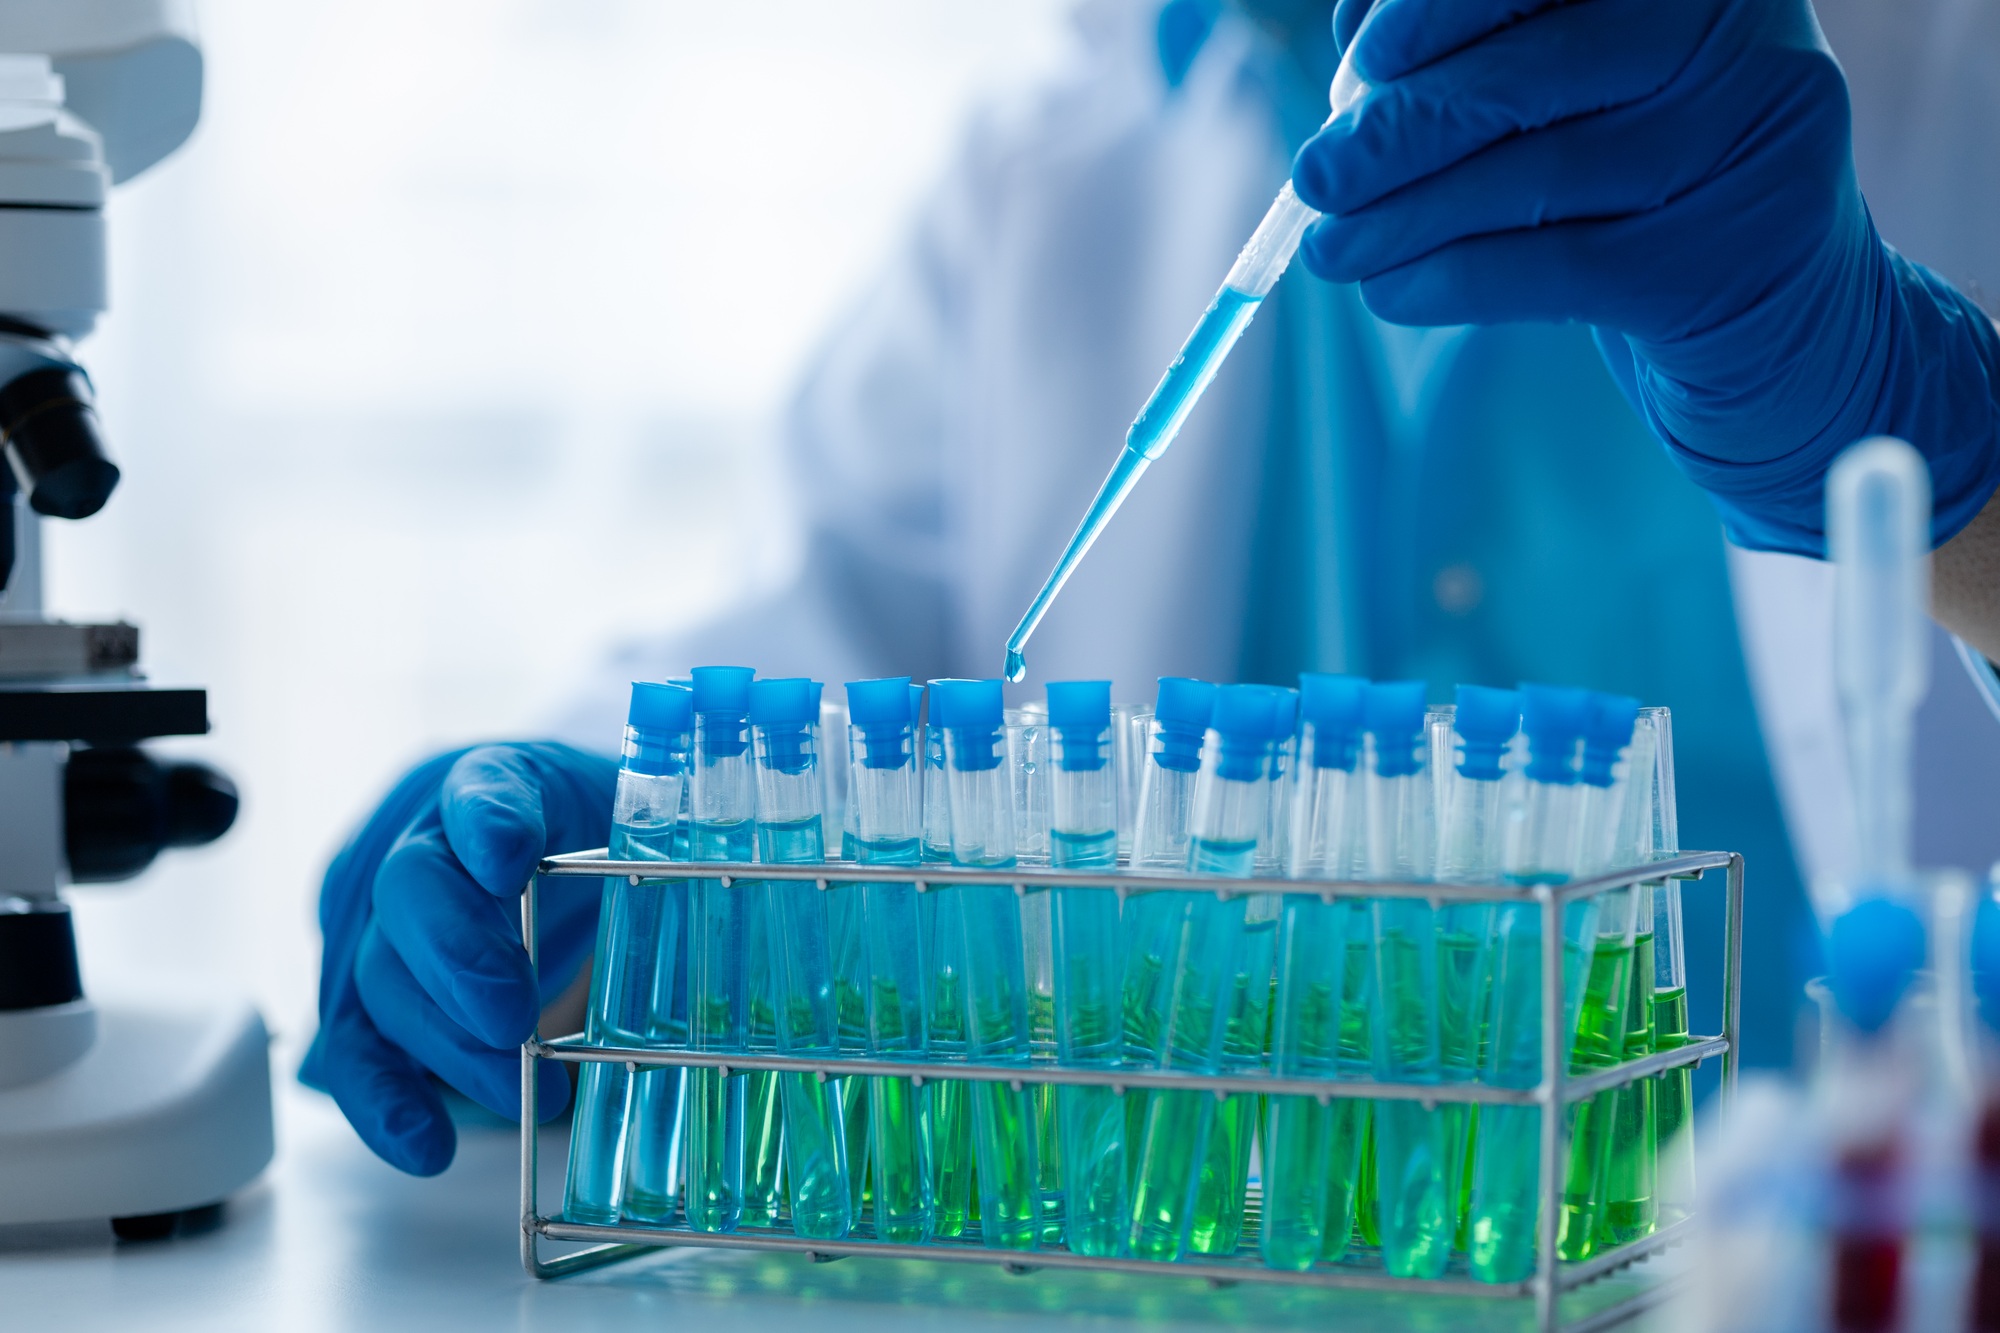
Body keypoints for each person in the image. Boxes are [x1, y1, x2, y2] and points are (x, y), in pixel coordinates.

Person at [301, 0, 2000, 1175]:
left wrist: (1970, 469)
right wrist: (600, 878)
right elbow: (831, 671)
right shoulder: (1059, 163)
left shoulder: (1909, 82)